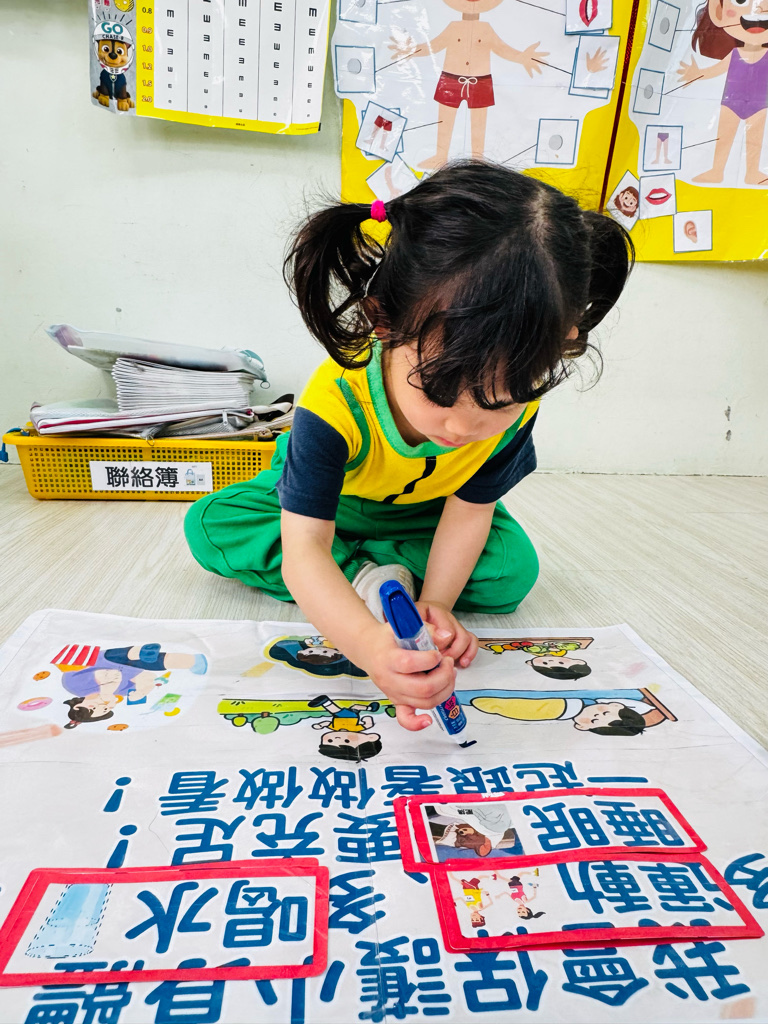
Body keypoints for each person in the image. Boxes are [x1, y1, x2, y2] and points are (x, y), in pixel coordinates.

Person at [185, 161, 633, 731]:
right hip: (328, 510)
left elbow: (470, 514)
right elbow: (305, 547)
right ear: (383, 321)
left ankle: (379, 573)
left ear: (561, 344)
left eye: (499, 401)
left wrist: (437, 607)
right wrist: (369, 644)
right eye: (441, 390)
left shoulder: (520, 407)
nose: (464, 426)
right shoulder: (334, 402)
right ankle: (368, 576)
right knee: (213, 526)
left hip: (428, 516)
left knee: (511, 569)